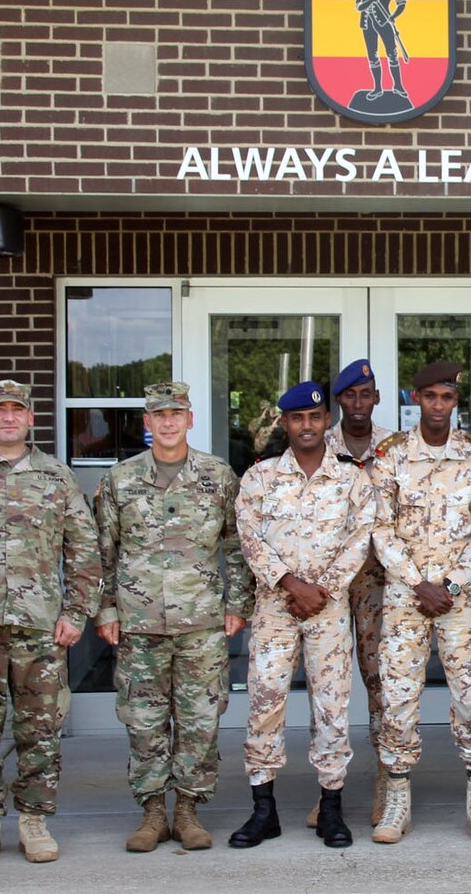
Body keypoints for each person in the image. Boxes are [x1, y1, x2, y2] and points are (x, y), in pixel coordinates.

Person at [0, 379, 102, 867]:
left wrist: (77, 613)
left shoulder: (56, 478)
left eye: (17, 411)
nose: (8, 418)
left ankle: (34, 821)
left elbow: (84, 549)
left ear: (31, 419)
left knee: (40, 730)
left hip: (40, 628)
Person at [94, 381, 255, 853]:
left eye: (176, 414)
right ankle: (150, 813)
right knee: (143, 721)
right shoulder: (120, 480)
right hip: (138, 623)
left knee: (200, 719)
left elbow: (237, 547)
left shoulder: (218, 476)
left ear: (190, 420)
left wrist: (236, 605)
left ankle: (186, 810)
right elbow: (102, 552)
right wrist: (105, 610)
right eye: (159, 415)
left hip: (201, 623)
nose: (168, 422)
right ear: (147, 423)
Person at [231, 381, 376, 849]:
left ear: (325, 421)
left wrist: (324, 589)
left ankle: (331, 808)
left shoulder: (352, 478)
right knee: (265, 703)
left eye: (315, 418)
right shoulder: (259, 477)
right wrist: (291, 584)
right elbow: (249, 538)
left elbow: (362, 538)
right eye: (297, 418)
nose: (307, 426)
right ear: (285, 423)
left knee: (331, 706)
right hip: (275, 608)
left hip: (329, 611)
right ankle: (263, 810)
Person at [367, 361, 471, 844]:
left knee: (470, 698)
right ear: (416, 399)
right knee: (399, 698)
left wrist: (451, 584)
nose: (439, 406)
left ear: (455, 402)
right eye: (430, 397)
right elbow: (379, 528)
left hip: (459, 602)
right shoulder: (391, 457)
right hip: (406, 600)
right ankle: (398, 799)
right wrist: (416, 582)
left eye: (447, 397)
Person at [324, 359, 396, 827]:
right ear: (339, 401)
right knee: (328, 686)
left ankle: (387, 784)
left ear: (376, 398)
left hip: (379, 581)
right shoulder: (316, 444)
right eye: (349, 395)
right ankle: (328, 789)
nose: (357, 402)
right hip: (327, 581)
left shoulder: (395, 447)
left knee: (381, 681)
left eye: (364, 393)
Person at [355, 0, 408, 101]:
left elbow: (401, 3)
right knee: (372, 56)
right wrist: (370, 1)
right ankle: (377, 88)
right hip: (367, 23)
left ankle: (397, 85)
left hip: (384, 23)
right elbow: (358, 6)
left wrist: (392, 17)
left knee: (392, 54)